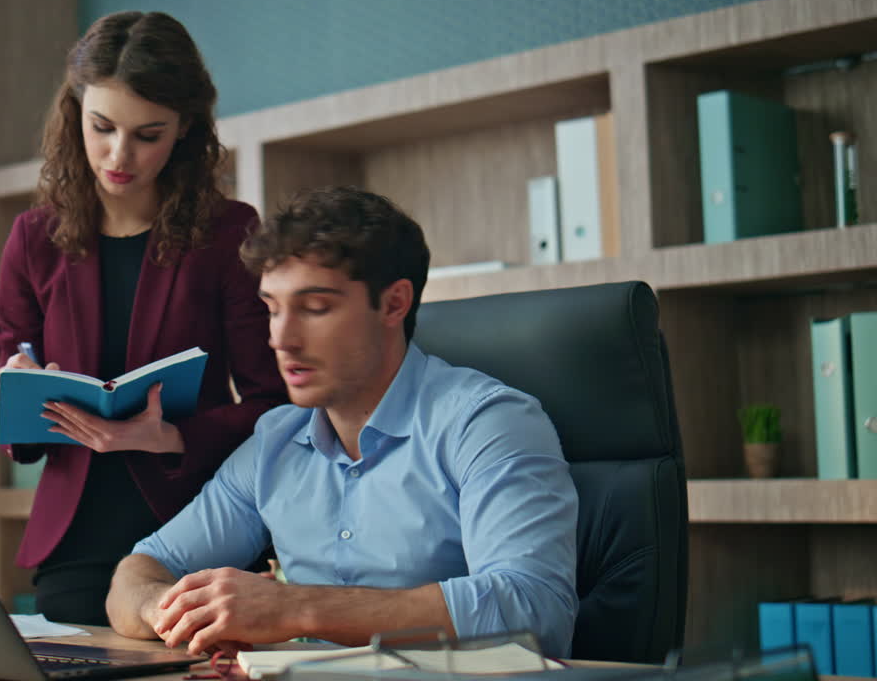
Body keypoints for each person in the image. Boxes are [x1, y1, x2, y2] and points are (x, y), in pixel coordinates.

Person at [105, 187, 579, 656]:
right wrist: (171, 611)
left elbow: (534, 608)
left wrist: (295, 609)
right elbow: (141, 571)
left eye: (315, 308)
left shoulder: (488, 423)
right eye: (271, 309)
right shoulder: (276, 440)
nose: (281, 339)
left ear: (394, 304)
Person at [0, 10, 287, 625]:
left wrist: (171, 436)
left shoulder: (227, 233)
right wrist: (22, 389)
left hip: (195, 523)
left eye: (147, 134)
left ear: (184, 130)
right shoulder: (33, 238)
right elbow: (15, 437)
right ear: (74, 113)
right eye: (101, 127)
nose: (118, 154)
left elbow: (276, 405)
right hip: (76, 537)